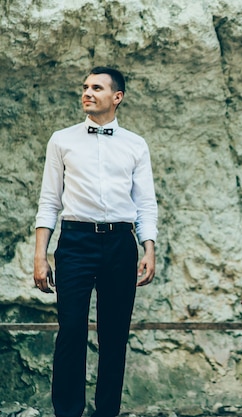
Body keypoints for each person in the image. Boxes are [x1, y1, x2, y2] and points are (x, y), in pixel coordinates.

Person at [33, 66, 158, 417]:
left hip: (121, 243)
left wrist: (148, 247)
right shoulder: (62, 140)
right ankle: (68, 412)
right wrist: (40, 255)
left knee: (114, 336)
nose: (87, 92)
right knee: (71, 331)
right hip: (75, 242)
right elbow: (49, 201)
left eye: (97, 88)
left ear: (116, 97)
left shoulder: (136, 145)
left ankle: (107, 412)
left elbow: (145, 202)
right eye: (85, 87)